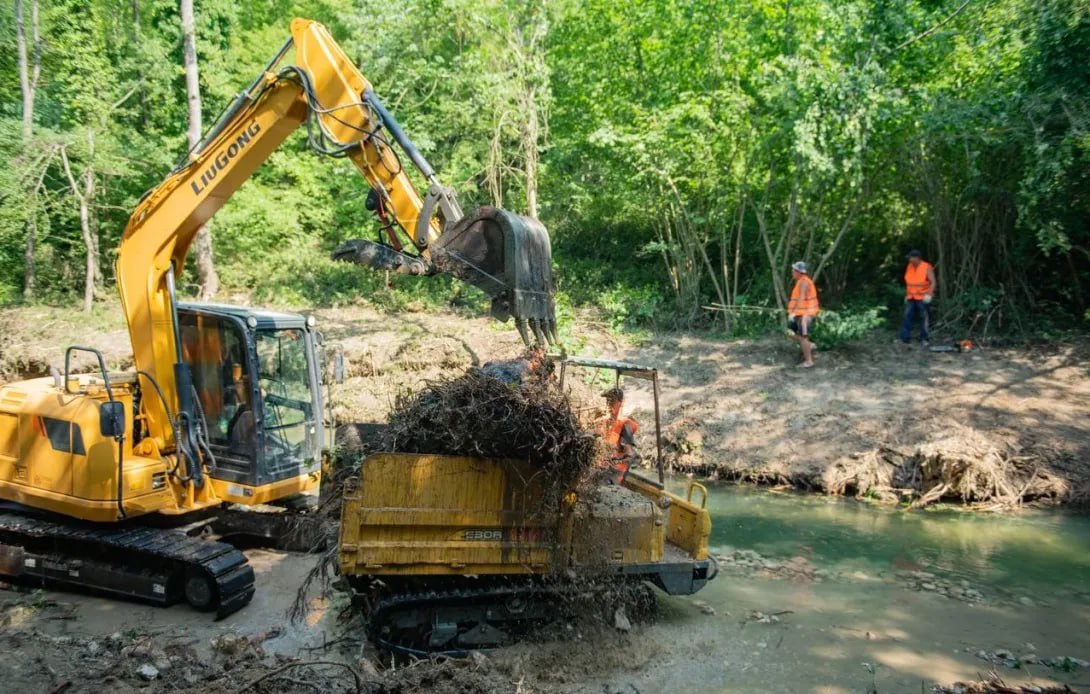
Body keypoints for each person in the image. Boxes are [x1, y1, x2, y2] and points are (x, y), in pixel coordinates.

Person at [595, 387, 639, 484]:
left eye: (613, 401)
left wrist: (612, 461)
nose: (609, 404)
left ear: (621, 403)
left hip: (615, 473)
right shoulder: (605, 422)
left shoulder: (625, 424)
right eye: (608, 401)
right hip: (603, 468)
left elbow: (629, 455)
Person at [899, 249, 936, 346]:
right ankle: (905, 338)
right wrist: (907, 295)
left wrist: (929, 294)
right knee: (907, 316)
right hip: (911, 296)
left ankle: (924, 338)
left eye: (911, 257)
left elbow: (933, 282)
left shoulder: (926, 267)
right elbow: (909, 282)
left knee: (923, 317)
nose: (909, 259)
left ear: (917, 258)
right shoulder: (909, 266)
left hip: (922, 297)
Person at [787, 261, 819, 368]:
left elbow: (801, 298)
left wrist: (794, 312)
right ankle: (809, 346)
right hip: (800, 313)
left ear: (799, 272)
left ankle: (809, 361)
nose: (792, 271)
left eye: (794, 270)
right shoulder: (800, 281)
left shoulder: (804, 282)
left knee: (803, 337)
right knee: (790, 332)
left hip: (805, 314)